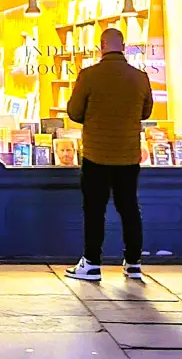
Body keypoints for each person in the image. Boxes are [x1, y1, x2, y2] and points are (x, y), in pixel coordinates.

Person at [64, 27, 153, 282]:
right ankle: (133, 262)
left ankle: (91, 263)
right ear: (123, 46)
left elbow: (74, 112)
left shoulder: (89, 75)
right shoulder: (140, 77)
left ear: (101, 46)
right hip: (128, 154)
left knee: (94, 210)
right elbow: (145, 113)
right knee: (129, 208)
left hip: (96, 155)